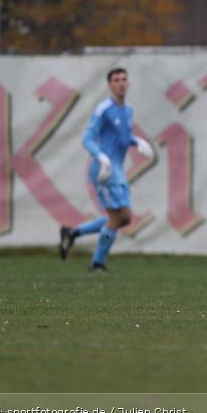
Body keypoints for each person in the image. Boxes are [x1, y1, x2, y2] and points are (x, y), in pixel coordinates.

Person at [58, 68, 154, 271]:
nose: (120, 83)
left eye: (123, 79)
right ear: (110, 85)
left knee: (124, 218)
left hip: (117, 170)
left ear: (128, 84)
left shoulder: (127, 110)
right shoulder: (104, 109)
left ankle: (73, 233)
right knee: (117, 218)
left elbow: (123, 137)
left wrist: (137, 142)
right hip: (104, 171)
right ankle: (97, 263)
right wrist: (100, 157)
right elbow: (87, 138)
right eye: (116, 80)